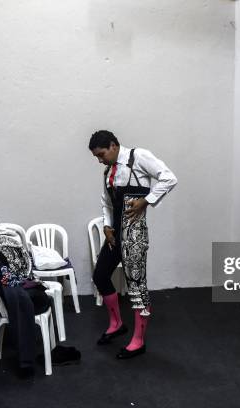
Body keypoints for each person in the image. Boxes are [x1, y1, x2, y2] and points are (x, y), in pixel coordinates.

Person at [89, 130, 177, 359]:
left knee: (136, 285)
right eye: (96, 157)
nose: (100, 160)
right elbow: (106, 203)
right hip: (115, 234)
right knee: (100, 275)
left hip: (135, 232)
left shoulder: (139, 157)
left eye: (101, 154)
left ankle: (138, 340)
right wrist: (107, 226)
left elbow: (169, 177)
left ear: (113, 146)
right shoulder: (108, 171)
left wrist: (146, 201)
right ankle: (117, 323)